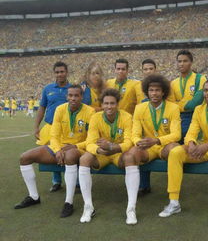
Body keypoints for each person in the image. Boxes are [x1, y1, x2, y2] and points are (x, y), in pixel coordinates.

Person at [159, 79, 208, 224]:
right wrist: (190, 143)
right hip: (202, 150)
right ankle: (174, 202)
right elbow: (191, 132)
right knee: (176, 152)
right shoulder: (199, 110)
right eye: (206, 90)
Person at [14, 85, 95, 218]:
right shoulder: (60, 109)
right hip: (59, 147)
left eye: (76, 95)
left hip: (79, 148)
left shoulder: (90, 112)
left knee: (70, 156)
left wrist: (75, 146)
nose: (73, 98)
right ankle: (34, 196)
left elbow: (92, 139)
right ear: (66, 96)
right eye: (70, 95)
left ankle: (68, 202)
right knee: (24, 158)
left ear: (81, 97)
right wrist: (57, 150)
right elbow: (54, 135)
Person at [78, 88, 138, 225]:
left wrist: (112, 147)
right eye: (106, 103)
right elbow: (89, 143)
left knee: (130, 157)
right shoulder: (95, 117)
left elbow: (129, 142)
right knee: (84, 159)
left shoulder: (127, 117)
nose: (109, 107)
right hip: (102, 154)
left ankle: (131, 209)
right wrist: (99, 150)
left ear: (117, 104)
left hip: (118, 153)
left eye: (112, 103)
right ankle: (88, 207)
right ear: (102, 105)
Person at [126, 74, 181, 193]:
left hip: (164, 146)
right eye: (151, 90)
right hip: (147, 148)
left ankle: (173, 192)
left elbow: (176, 135)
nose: (154, 93)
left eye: (157, 90)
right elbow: (134, 134)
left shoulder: (173, 108)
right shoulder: (139, 108)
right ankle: (133, 193)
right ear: (147, 92)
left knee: (174, 149)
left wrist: (157, 140)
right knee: (132, 152)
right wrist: (138, 142)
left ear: (163, 92)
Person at [35, 61, 71, 192]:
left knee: (69, 153)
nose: (60, 74)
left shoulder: (73, 89)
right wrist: (36, 127)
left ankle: (75, 181)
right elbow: (42, 107)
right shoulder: (48, 89)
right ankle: (56, 181)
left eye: (62, 71)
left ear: (67, 72)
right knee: (52, 154)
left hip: (67, 128)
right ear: (54, 73)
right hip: (50, 127)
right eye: (57, 72)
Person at [168, 50, 207, 142]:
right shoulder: (173, 83)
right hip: (178, 117)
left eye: (185, 61)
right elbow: (171, 104)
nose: (181, 64)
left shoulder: (200, 79)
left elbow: (194, 103)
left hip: (195, 116)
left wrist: (178, 104)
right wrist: (183, 105)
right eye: (179, 61)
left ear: (191, 62)